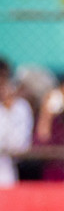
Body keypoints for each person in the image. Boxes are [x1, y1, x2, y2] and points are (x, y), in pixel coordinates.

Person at [0, 57, 34, 189]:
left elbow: (19, 146)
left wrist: (9, 112)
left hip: (5, 177)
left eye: (3, 78)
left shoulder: (20, 107)